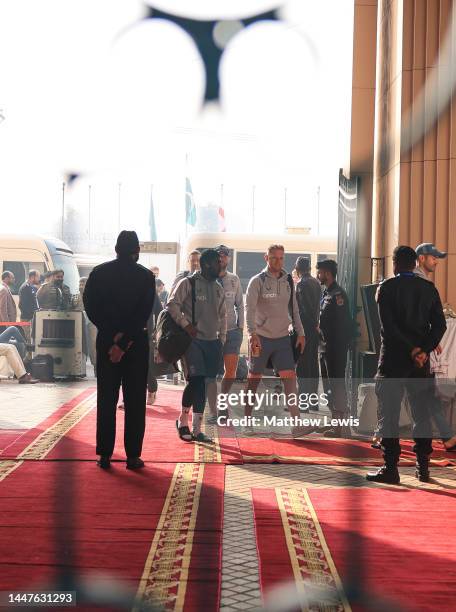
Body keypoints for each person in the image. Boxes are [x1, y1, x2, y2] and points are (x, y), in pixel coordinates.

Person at [366, 246, 447, 484]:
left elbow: (389, 327)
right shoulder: (429, 289)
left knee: (389, 415)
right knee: (421, 414)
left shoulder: (387, 288)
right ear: (414, 264)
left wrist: (411, 349)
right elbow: (440, 326)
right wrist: (423, 350)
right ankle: (423, 468)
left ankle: (390, 468)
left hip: (392, 361)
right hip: (419, 364)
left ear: (394, 264)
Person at [83, 231, 156, 470]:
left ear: (116, 249)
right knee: (135, 400)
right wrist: (124, 342)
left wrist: (112, 334)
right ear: (136, 251)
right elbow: (144, 314)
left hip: (106, 343)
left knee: (106, 398)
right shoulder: (145, 276)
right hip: (135, 345)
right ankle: (133, 456)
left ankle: (104, 454)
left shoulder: (98, 273)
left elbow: (90, 307)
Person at [244, 244, 305, 436]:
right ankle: (247, 421)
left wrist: (301, 332)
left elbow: (294, 309)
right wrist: (252, 334)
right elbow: (249, 309)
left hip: (282, 339)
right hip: (260, 338)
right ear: (266, 258)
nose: (278, 261)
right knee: (254, 380)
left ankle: (297, 424)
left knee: (290, 379)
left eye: (281, 258)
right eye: (274, 258)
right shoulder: (257, 281)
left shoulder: (288, 280)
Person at [167, 249, 226, 443]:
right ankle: (183, 421)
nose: (221, 265)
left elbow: (223, 315)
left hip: (212, 342)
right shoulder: (188, 283)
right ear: (207, 264)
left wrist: (222, 339)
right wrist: (186, 324)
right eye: (218, 262)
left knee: (205, 383)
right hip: (193, 341)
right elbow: (172, 304)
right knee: (196, 381)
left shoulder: (218, 287)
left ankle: (197, 429)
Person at [412, 242, 456, 451]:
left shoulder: (420, 282)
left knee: (423, 393)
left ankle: (446, 436)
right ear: (421, 258)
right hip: (414, 349)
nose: (436, 261)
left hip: (415, 347)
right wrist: (428, 343)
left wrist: (431, 342)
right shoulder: (420, 284)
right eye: (433, 257)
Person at [206, 245, 244, 424]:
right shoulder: (207, 280)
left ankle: (222, 403)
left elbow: (240, 305)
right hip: (212, 334)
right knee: (211, 373)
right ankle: (212, 408)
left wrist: (241, 327)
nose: (222, 259)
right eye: (219, 256)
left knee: (231, 371)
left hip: (232, 332)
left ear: (228, 259)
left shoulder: (234, 280)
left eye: (225, 256)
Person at [315, 259, 352, 437]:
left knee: (337, 386)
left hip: (335, 350)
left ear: (327, 274)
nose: (318, 275)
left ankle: (342, 427)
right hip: (324, 348)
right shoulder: (327, 293)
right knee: (329, 386)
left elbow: (342, 325)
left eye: (320, 272)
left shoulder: (338, 295)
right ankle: (335, 423)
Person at [295, 256, 321, 406]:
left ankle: (302, 403)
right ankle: (313, 401)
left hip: (305, 329)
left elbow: (303, 308)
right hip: (314, 328)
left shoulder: (302, 284)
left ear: (298, 269)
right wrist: (316, 324)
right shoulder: (316, 282)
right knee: (313, 365)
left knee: (303, 366)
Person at [18, 270, 40, 340]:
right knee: (26, 338)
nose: (39, 279)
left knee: (29, 338)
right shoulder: (25, 287)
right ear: (33, 277)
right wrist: (32, 314)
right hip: (26, 318)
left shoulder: (31, 287)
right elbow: (22, 305)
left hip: (30, 317)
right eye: (38, 277)